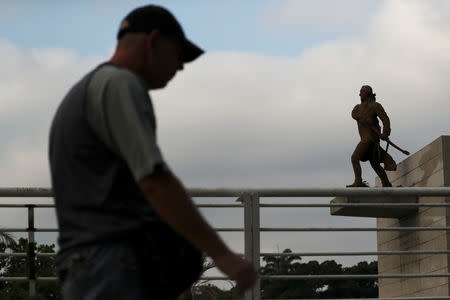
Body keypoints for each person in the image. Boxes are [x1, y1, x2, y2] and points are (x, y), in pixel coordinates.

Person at [49, 5, 256, 299]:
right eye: (178, 55)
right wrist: (223, 256)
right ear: (153, 41)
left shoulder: (83, 91)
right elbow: (155, 183)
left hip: (87, 264)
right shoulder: (120, 84)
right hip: (112, 263)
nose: (181, 67)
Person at [347, 85, 397, 187]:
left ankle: (358, 181)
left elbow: (385, 120)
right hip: (369, 140)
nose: (359, 94)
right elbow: (354, 115)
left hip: (370, 139)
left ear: (367, 93)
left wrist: (385, 133)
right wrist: (363, 117)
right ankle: (386, 183)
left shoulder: (375, 106)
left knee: (354, 158)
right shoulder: (358, 108)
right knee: (375, 164)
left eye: (362, 92)